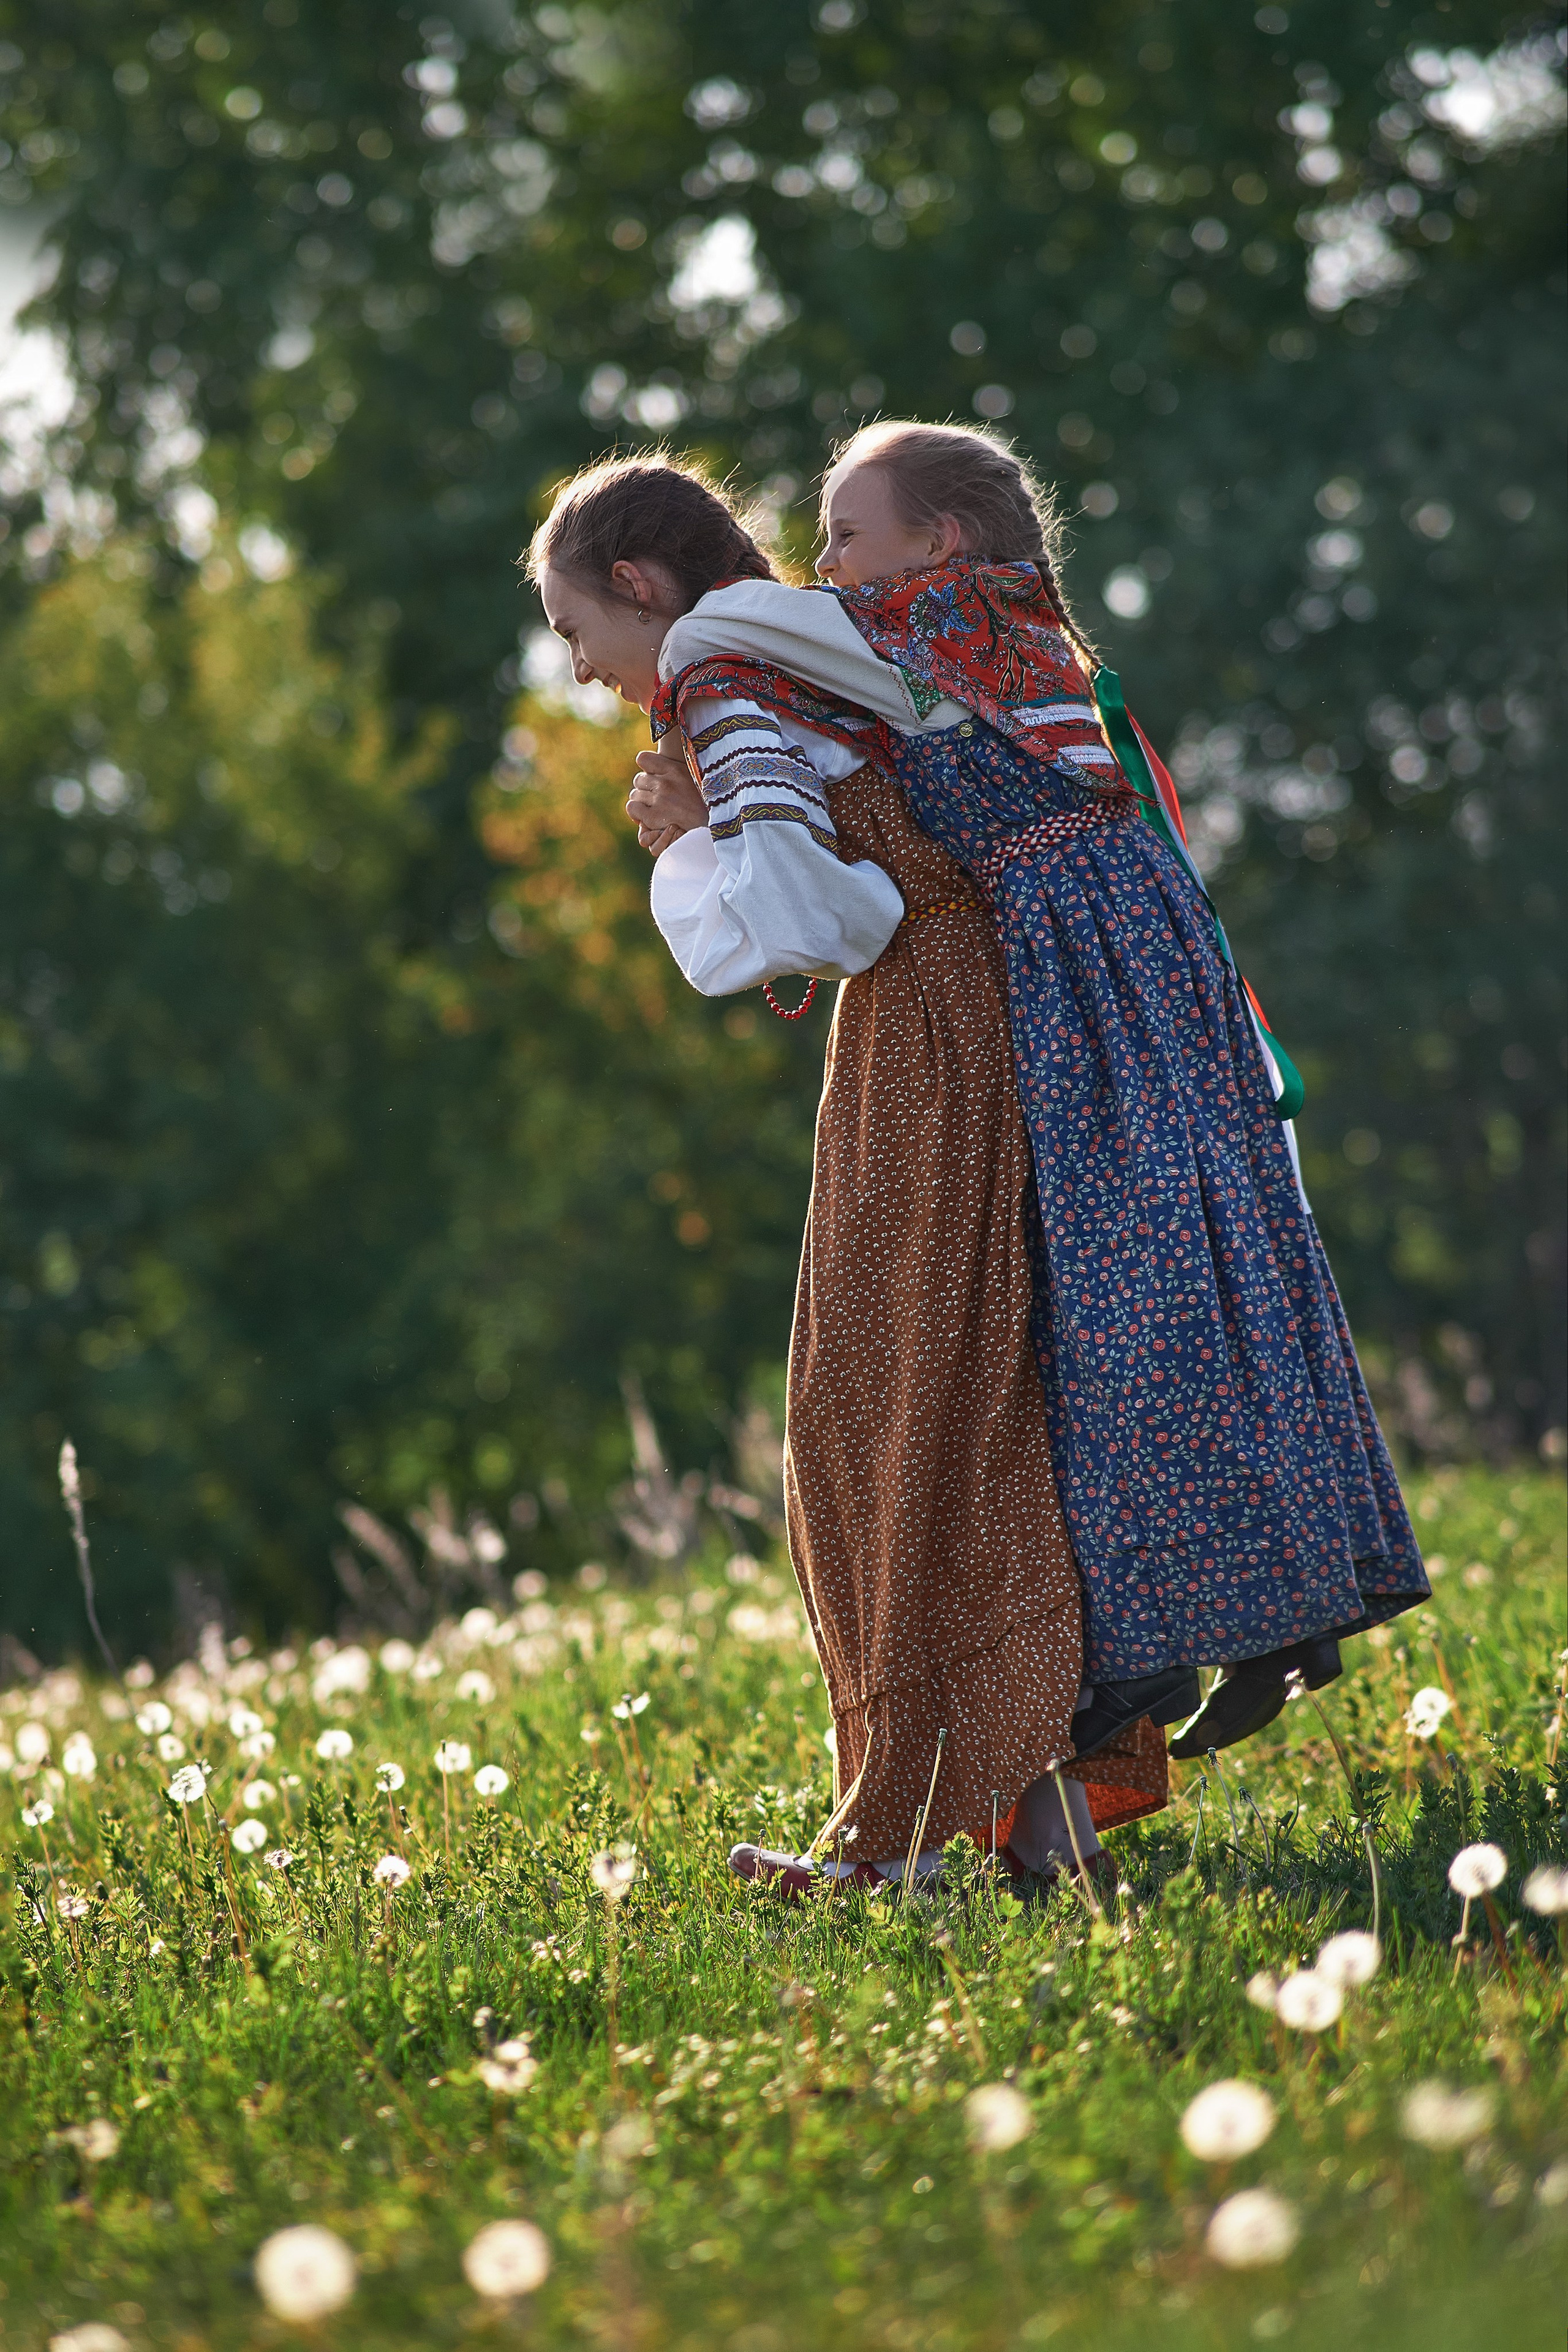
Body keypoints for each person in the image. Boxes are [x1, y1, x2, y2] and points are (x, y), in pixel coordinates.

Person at [639, 421, 1430, 1760]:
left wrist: (685, 643)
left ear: (935, 546)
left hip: (1084, 968)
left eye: (844, 533)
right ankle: (1238, 1621)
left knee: (1124, 1292)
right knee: (1166, 1279)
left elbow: (760, 639)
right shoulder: (972, 635)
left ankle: (1204, 1631)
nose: (821, 567)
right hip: (1119, 958)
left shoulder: (939, 620)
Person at [526, 453, 1168, 1891]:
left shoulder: (716, 665)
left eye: (576, 634)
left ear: (639, 588)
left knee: (887, 1414)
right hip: (958, 1023)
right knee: (956, 1406)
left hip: (931, 1036)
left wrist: (690, 844)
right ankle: (1024, 1830)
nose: (579, 674)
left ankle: (915, 1832)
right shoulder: (815, 647)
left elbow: (828, 907)